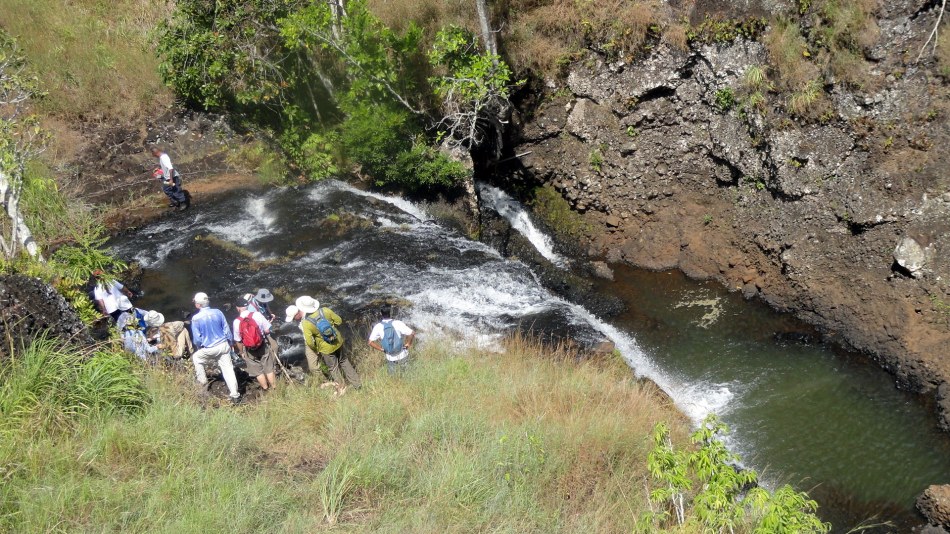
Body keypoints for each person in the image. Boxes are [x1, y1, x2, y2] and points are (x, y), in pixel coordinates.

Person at [285, 296, 361, 391]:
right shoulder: (325, 310)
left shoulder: (306, 323)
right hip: (338, 341)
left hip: (325, 348)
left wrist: (316, 349)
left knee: (333, 368)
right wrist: (332, 327)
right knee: (344, 361)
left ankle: (342, 387)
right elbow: (339, 320)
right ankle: (357, 384)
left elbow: (309, 341)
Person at [190, 292, 242, 404]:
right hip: (223, 345)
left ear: (198, 305)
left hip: (209, 348)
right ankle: (235, 395)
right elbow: (227, 330)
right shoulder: (218, 312)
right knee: (228, 369)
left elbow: (197, 339)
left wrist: (200, 348)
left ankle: (202, 381)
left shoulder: (196, 318)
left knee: (196, 358)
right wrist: (230, 342)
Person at [232, 296, 277, 392]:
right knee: (269, 368)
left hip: (249, 349)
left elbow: (238, 340)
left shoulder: (236, 322)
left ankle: (265, 389)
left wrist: (241, 352)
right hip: (262, 345)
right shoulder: (257, 315)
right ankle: (274, 388)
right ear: (247, 305)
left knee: (258, 371)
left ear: (238, 308)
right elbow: (267, 330)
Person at [367, 304, 415, 375]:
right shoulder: (398, 323)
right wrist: (408, 344)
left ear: (381, 314)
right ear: (390, 313)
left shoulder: (378, 327)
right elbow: (412, 333)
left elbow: (370, 342)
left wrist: (382, 349)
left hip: (390, 357)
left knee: (393, 378)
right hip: (403, 354)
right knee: (408, 375)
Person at [116, 296, 158, 360]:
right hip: (141, 330)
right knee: (144, 345)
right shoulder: (136, 310)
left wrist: (122, 340)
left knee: (139, 350)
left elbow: (119, 331)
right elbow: (147, 314)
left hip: (132, 335)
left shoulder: (121, 317)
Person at [150, 146, 188, 210]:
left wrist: (171, 179)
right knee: (166, 189)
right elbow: (166, 166)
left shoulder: (164, 158)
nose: (153, 156)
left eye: (153, 154)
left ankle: (183, 202)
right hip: (166, 177)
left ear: (154, 153)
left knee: (176, 190)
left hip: (172, 177)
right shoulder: (162, 157)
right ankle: (175, 201)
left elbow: (170, 168)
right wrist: (159, 168)